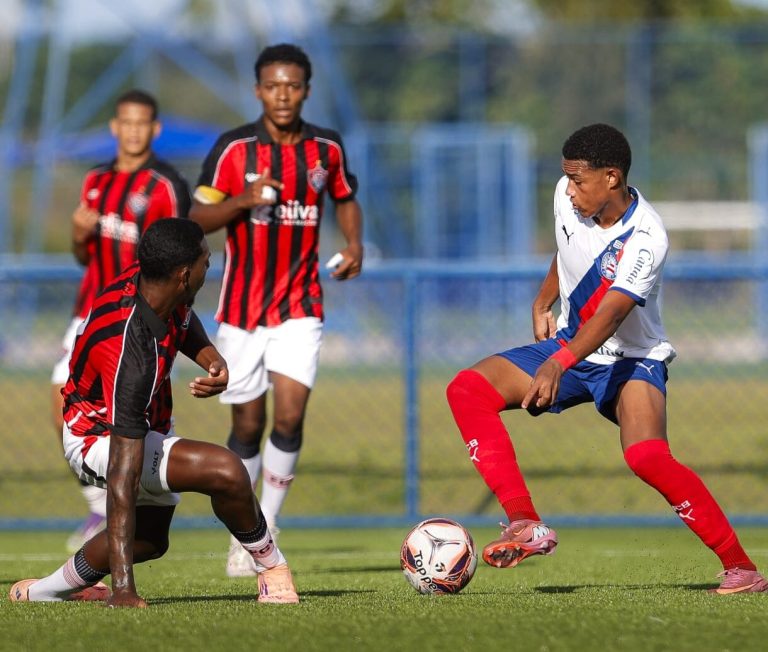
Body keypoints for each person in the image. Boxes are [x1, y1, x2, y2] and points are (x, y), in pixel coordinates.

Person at [446, 123, 768, 595]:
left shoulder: (647, 237)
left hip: (632, 359)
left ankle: (741, 569)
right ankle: (525, 523)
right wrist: (542, 302)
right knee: (467, 389)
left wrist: (558, 363)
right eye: (568, 178)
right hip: (573, 342)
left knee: (647, 457)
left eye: (579, 180)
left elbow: (614, 313)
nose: (569, 190)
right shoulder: (566, 195)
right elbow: (565, 246)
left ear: (612, 177)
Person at [10, 219, 299, 607]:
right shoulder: (131, 352)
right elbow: (122, 472)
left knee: (149, 540)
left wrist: (212, 359)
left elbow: (183, 314)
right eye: (205, 263)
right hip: (96, 438)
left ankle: (40, 593)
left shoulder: (153, 279)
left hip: (143, 425)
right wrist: (124, 590)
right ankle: (273, 569)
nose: (208, 269)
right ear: (184, 274)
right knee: (226, 472)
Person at [189, 43, 363, 577]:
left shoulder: (326, 149)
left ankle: (267, 526)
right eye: (272, 85)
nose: (282, 95)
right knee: (248, 425)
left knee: (289, 416)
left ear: (306, 90)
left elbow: (346, 197)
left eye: (292, 85)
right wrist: (242, 201)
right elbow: (196, 214)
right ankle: (248, 528)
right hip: (240, 311)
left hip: (301, 304)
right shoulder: (233, 149)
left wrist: (354, 244)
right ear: (258, 90)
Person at [50, 89, 191, 553]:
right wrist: (76, 235)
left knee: (129, 414)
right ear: (115, 127)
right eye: (125, 123)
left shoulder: (165, 186)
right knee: (63, 402)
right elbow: (81, 254)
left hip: (137, 320)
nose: (132, 131)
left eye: (141, 124)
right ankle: (99, 501)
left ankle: (130, 505)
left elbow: (178, 253)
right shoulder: (94, 181)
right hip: (90, 311)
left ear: (154, 129)